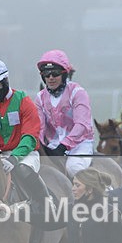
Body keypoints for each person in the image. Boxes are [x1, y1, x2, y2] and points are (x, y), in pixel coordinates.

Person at [0, 58, 51, 219]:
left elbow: (30, 136)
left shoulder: (24, 102)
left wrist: (14, 158)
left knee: (23, 170)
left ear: (5, 81)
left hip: (25, 154)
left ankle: (45, 205)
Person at [33, 49, 94, 178]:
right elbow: (40, 127)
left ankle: (106, 193)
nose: (50, 78)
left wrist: (64, 145)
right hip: (53, 146)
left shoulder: (78, 93)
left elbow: (82, 125)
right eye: (46, 74)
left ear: (64, 74)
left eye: (54, 73)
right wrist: (40, 143)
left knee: (73, 168)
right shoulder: (39, 97)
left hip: (79, 146)